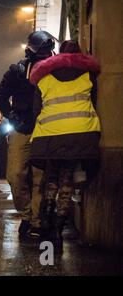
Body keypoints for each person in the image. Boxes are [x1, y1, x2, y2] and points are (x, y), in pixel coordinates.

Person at [29, 40, 101, 250]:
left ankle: (47, 227)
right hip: (80, 134)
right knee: (67, 183)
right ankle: (59, 231)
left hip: (50, 135)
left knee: (50, 181)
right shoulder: (89, 76)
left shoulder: (45, 78)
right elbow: (94, 103)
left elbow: (37, 110)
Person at [0, 30, 55, 239]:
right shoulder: (17, 71)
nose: (45, 57)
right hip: (22, 128)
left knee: (41, 179)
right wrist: (12, 117)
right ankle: (28, 215)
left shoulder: (54, 69)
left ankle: (36, 221)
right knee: (15, 175)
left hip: (46, 129)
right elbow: (0, 96)